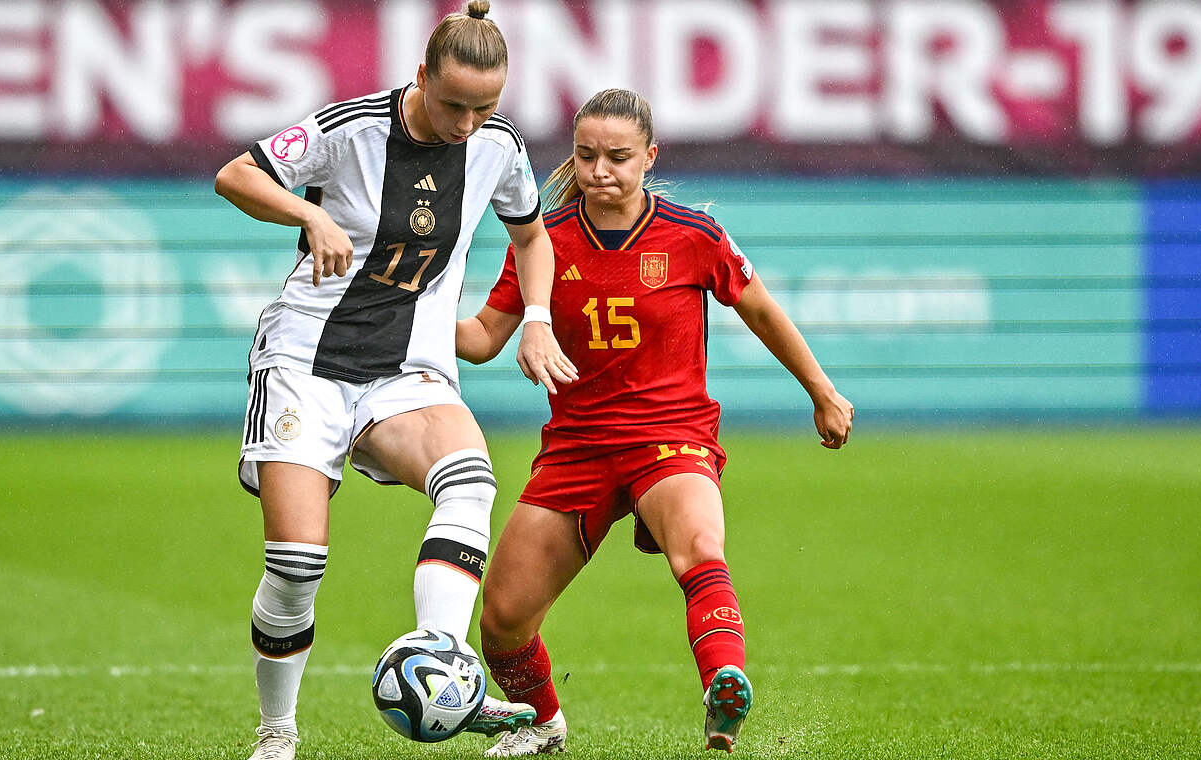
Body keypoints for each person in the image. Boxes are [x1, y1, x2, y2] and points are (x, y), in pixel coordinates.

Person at [213, 3, 578, 758]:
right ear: (419, 77)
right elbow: (235, 175)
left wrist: (537, 316)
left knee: (470, 477)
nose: (468, 124)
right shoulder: (350, 129)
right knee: (295, 565)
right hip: (306, 362)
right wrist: (306, 216)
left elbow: (532, 234)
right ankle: (276, 735)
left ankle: (437, 661)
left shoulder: (498, 149)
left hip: (409, 368)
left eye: (486, 107)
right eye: (454, 105)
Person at [455, 89, 855, 756]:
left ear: (650, 156)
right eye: (585, 156)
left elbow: (759, 310)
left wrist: (822, 391)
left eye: (616, 157)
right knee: (501, 619)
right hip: (577, 448)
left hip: (671, 437)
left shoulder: (693, 235)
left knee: (698, 546)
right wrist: (410, 310)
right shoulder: (542, 242)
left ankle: (722, 685)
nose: (598, 170)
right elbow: (482, 337)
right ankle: (543, 722)